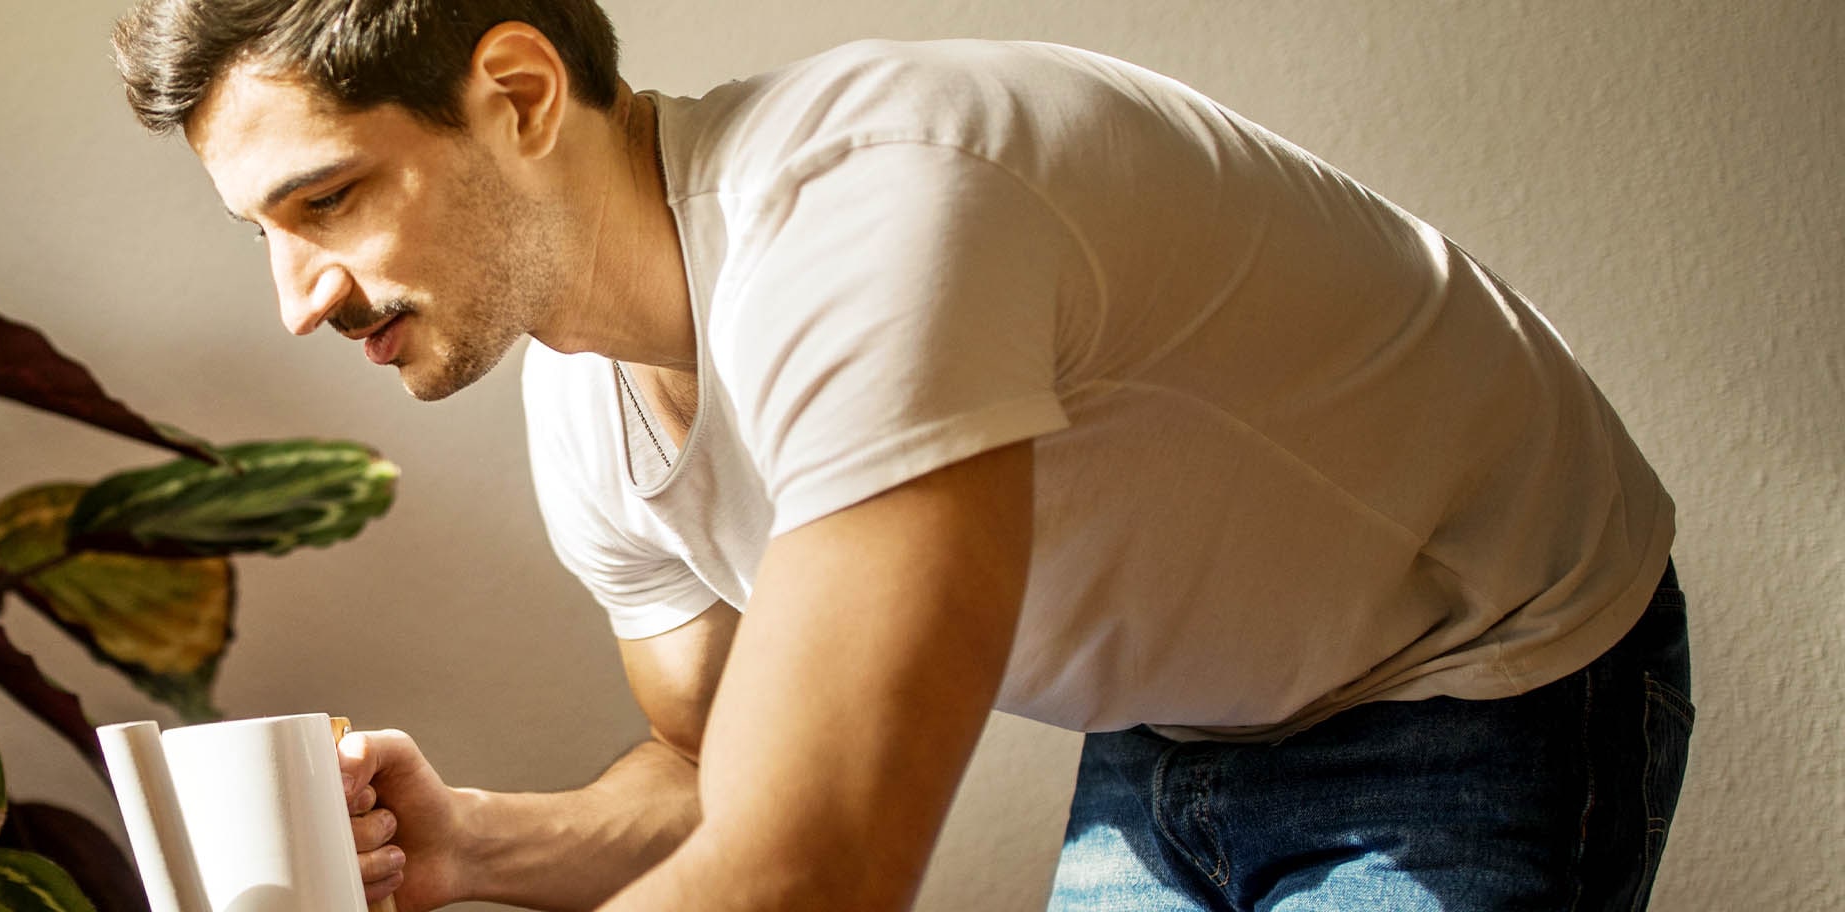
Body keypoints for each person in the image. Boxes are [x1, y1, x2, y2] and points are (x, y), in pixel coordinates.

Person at [110, 1, 1688, 909]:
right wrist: (474, 841)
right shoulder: (588, 406)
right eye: (263, 233)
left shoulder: (874, 209)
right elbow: (719, 775)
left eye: (326, 202)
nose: (297, 301)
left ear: (517, 94)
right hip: (1169, 725)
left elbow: (812, 864)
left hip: (1473, 662)